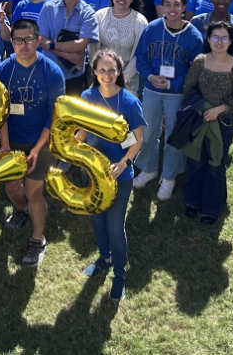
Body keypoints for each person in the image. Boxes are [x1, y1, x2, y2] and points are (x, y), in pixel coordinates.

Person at [0, 18, 67, 268]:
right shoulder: (2, 71)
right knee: (11, 188)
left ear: (38, 41)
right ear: (11, 42)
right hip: (11, 138)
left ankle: (38, 239)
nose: (23, 45)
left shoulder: (52, 72)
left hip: (43, 140)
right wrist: (4, 144)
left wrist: (37, 149)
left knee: (34, 189)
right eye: (17, 40)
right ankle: (22, 210)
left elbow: (54, 116)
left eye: (28, 39)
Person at [79, 49, 146, 300]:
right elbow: (82, 133)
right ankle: (104, 258)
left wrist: (124, 161)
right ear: (94, 72)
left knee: (115, 226)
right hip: (92, 173)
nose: (106, 74)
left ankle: (119, 274)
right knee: (97, 219)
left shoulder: (129, 101)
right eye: (102, 69)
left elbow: (138, 141)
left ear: (119, 72)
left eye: (112, 70)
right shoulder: (86, 97)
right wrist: (72, 147)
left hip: (119, 174)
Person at [132, 0, 203, 200]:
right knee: (148, 130)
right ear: (162, 6)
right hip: (153, 89)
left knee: (174, 134)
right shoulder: (152, 28)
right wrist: (150, 75)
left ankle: (169, 176)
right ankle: (149, 168)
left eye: (177, 5)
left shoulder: (193, 36)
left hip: (177, 93)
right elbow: (141, 56)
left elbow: (195, 71)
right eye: (168, 4)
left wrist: (174, 82)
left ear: (183, 7)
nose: (172, 9)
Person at [181, 20, 233, 223]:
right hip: (199, 119)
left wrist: (219, 109)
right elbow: (189, 87)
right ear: (208, 39)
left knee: (215, 164)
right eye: (215, 37)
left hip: (222, 124)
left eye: (224, 38)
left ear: (231, 42)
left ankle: (212, 207)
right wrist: (202, 107)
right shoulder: (200, 61)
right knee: (197, 160)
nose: (219, 42)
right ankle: (192, 201)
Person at [37, 0, 99, 95]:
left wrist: (52, 45)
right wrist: (66, 54)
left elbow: (80, 45)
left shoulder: (88, 13)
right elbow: (42, 41)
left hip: (74, 78)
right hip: (49, 73)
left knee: (71, 115)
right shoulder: (48, 8)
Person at [94, 0, 149, 93]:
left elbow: (139, 55)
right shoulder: (99, 16)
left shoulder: (140, 21)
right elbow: (93, 48)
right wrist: (102, 74)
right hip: (101, 77)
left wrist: (121, 78)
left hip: (127, 79)